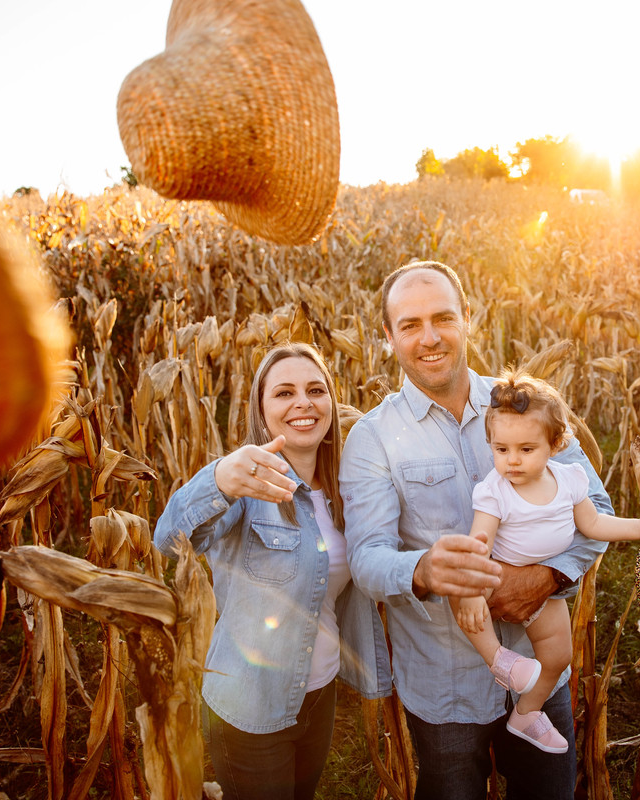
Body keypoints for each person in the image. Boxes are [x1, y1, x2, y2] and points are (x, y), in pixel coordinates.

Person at [339, 261, 612, 800]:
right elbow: (367, 558)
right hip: (447, 689)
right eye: (410, 325)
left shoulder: (528, 404)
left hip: (540, 672)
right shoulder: (372, 438)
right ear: (389, 336)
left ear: (468, 318)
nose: (430, 337)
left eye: (443, 318)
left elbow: (595, 508)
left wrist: (548, 577)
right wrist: (424, 569)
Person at [153, 342, 390, 800]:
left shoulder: (345, 489)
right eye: (284, 393)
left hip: (319, 694)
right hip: (249, 706)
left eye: (315, 390)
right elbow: (169, 541)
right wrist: (218, 479)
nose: (303, 403)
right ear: (261, 411)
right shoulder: (245, 484)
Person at [451, 369, 640, 753]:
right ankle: (499, 660)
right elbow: (479, 543)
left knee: (559, 655)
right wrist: (471, 592)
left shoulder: (569, 480)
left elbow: (593, 524)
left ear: (555, 444)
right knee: (463, 593)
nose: (512, 461)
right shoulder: (494, 491)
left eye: (526, 450)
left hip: (543, 591)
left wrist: (639, 526)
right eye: (501, 450)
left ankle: (527, 713)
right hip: (496, 574)